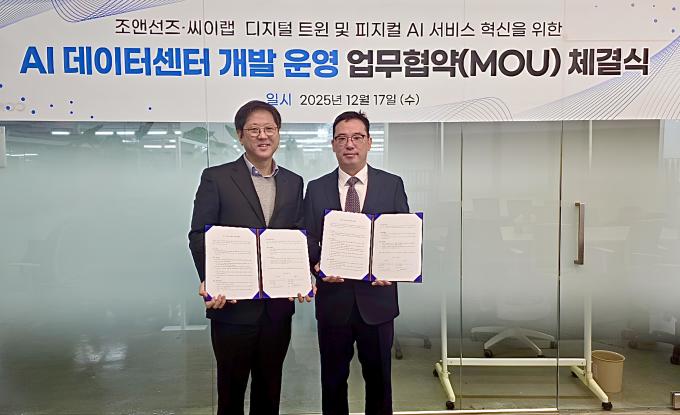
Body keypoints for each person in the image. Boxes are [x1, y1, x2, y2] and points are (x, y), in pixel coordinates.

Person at [188, 100, 310, 415]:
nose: (262, 135)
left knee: (269, 392)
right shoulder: (216, 178)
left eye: (269, 128)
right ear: (240, 135)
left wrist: (302, 276)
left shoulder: (293, 182)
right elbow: (199, 235)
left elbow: (297, 235)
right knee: (230, 394)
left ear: (278, 133)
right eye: (254, 129)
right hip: (232, 307)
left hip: (277, 310)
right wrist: (212, 279)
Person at [304, 111, 409, 415]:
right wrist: (317, 265)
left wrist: (393, 268)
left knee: (379, 382)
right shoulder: (316, 188)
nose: (349, 144)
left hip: (377, 302)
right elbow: (307, 237)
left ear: (369, 142)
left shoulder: (391, 184)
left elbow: (402, 236)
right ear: (333, 145)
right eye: (342, 138)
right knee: (333, 381)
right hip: (333, 302)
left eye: (357, 137)